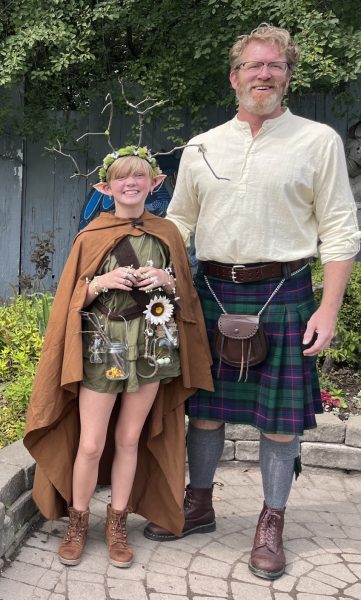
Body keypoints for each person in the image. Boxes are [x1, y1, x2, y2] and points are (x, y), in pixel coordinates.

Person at [143, 24, 361, 580]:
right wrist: (141, 249)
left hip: (284, 291)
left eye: (275, 66)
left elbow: (340, 230)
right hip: (211, 289)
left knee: (279, 424)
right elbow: (181, 221)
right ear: (234, 76)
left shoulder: (318, 141)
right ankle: (198, 504)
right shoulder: (202, 146)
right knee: (205, 412)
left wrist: (328, 309)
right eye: (253, 66)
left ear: (287, 76)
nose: (263, 75)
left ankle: (272, 520)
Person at [24, 146, 213, 568]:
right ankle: (77, 522)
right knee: (90, 444)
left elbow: (186, 299)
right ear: (105, 188)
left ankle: (116, 525)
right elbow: (71, 297)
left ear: (155, 183)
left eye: (140, 176)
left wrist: (168, 278)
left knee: (130, 439)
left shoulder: (168, 234)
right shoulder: (91, 234)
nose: (131, 183)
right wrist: (100, 281)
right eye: (122, 178)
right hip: (101, 348)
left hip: (151, 350)